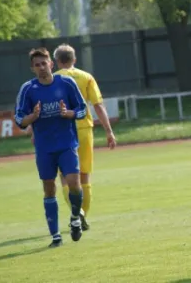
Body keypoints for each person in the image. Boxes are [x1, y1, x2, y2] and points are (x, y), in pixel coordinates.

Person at [14, 47, 88, 247]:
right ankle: (55, 236)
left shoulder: (66, 83)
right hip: (44, 148)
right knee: (49, 188)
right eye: (36, 65)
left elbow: (82, 109)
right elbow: (19, 119)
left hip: (66, 143)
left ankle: (75, 218)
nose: (41, 68)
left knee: (74, 182)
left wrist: (69, 114)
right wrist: (33, 117)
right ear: (32, 68)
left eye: (44, 63)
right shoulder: (28, 89)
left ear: (51, 64)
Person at [52, 44, 117, 230]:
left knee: (65, 176)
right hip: (84, 129)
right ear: (74, 59)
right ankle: (82, 215)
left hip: (61, 130)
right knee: (84, 175)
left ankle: (76, 213)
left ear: (57, 61)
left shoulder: (53, 79)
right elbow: (98, 105)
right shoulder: (86, 77)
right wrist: (109, 131)